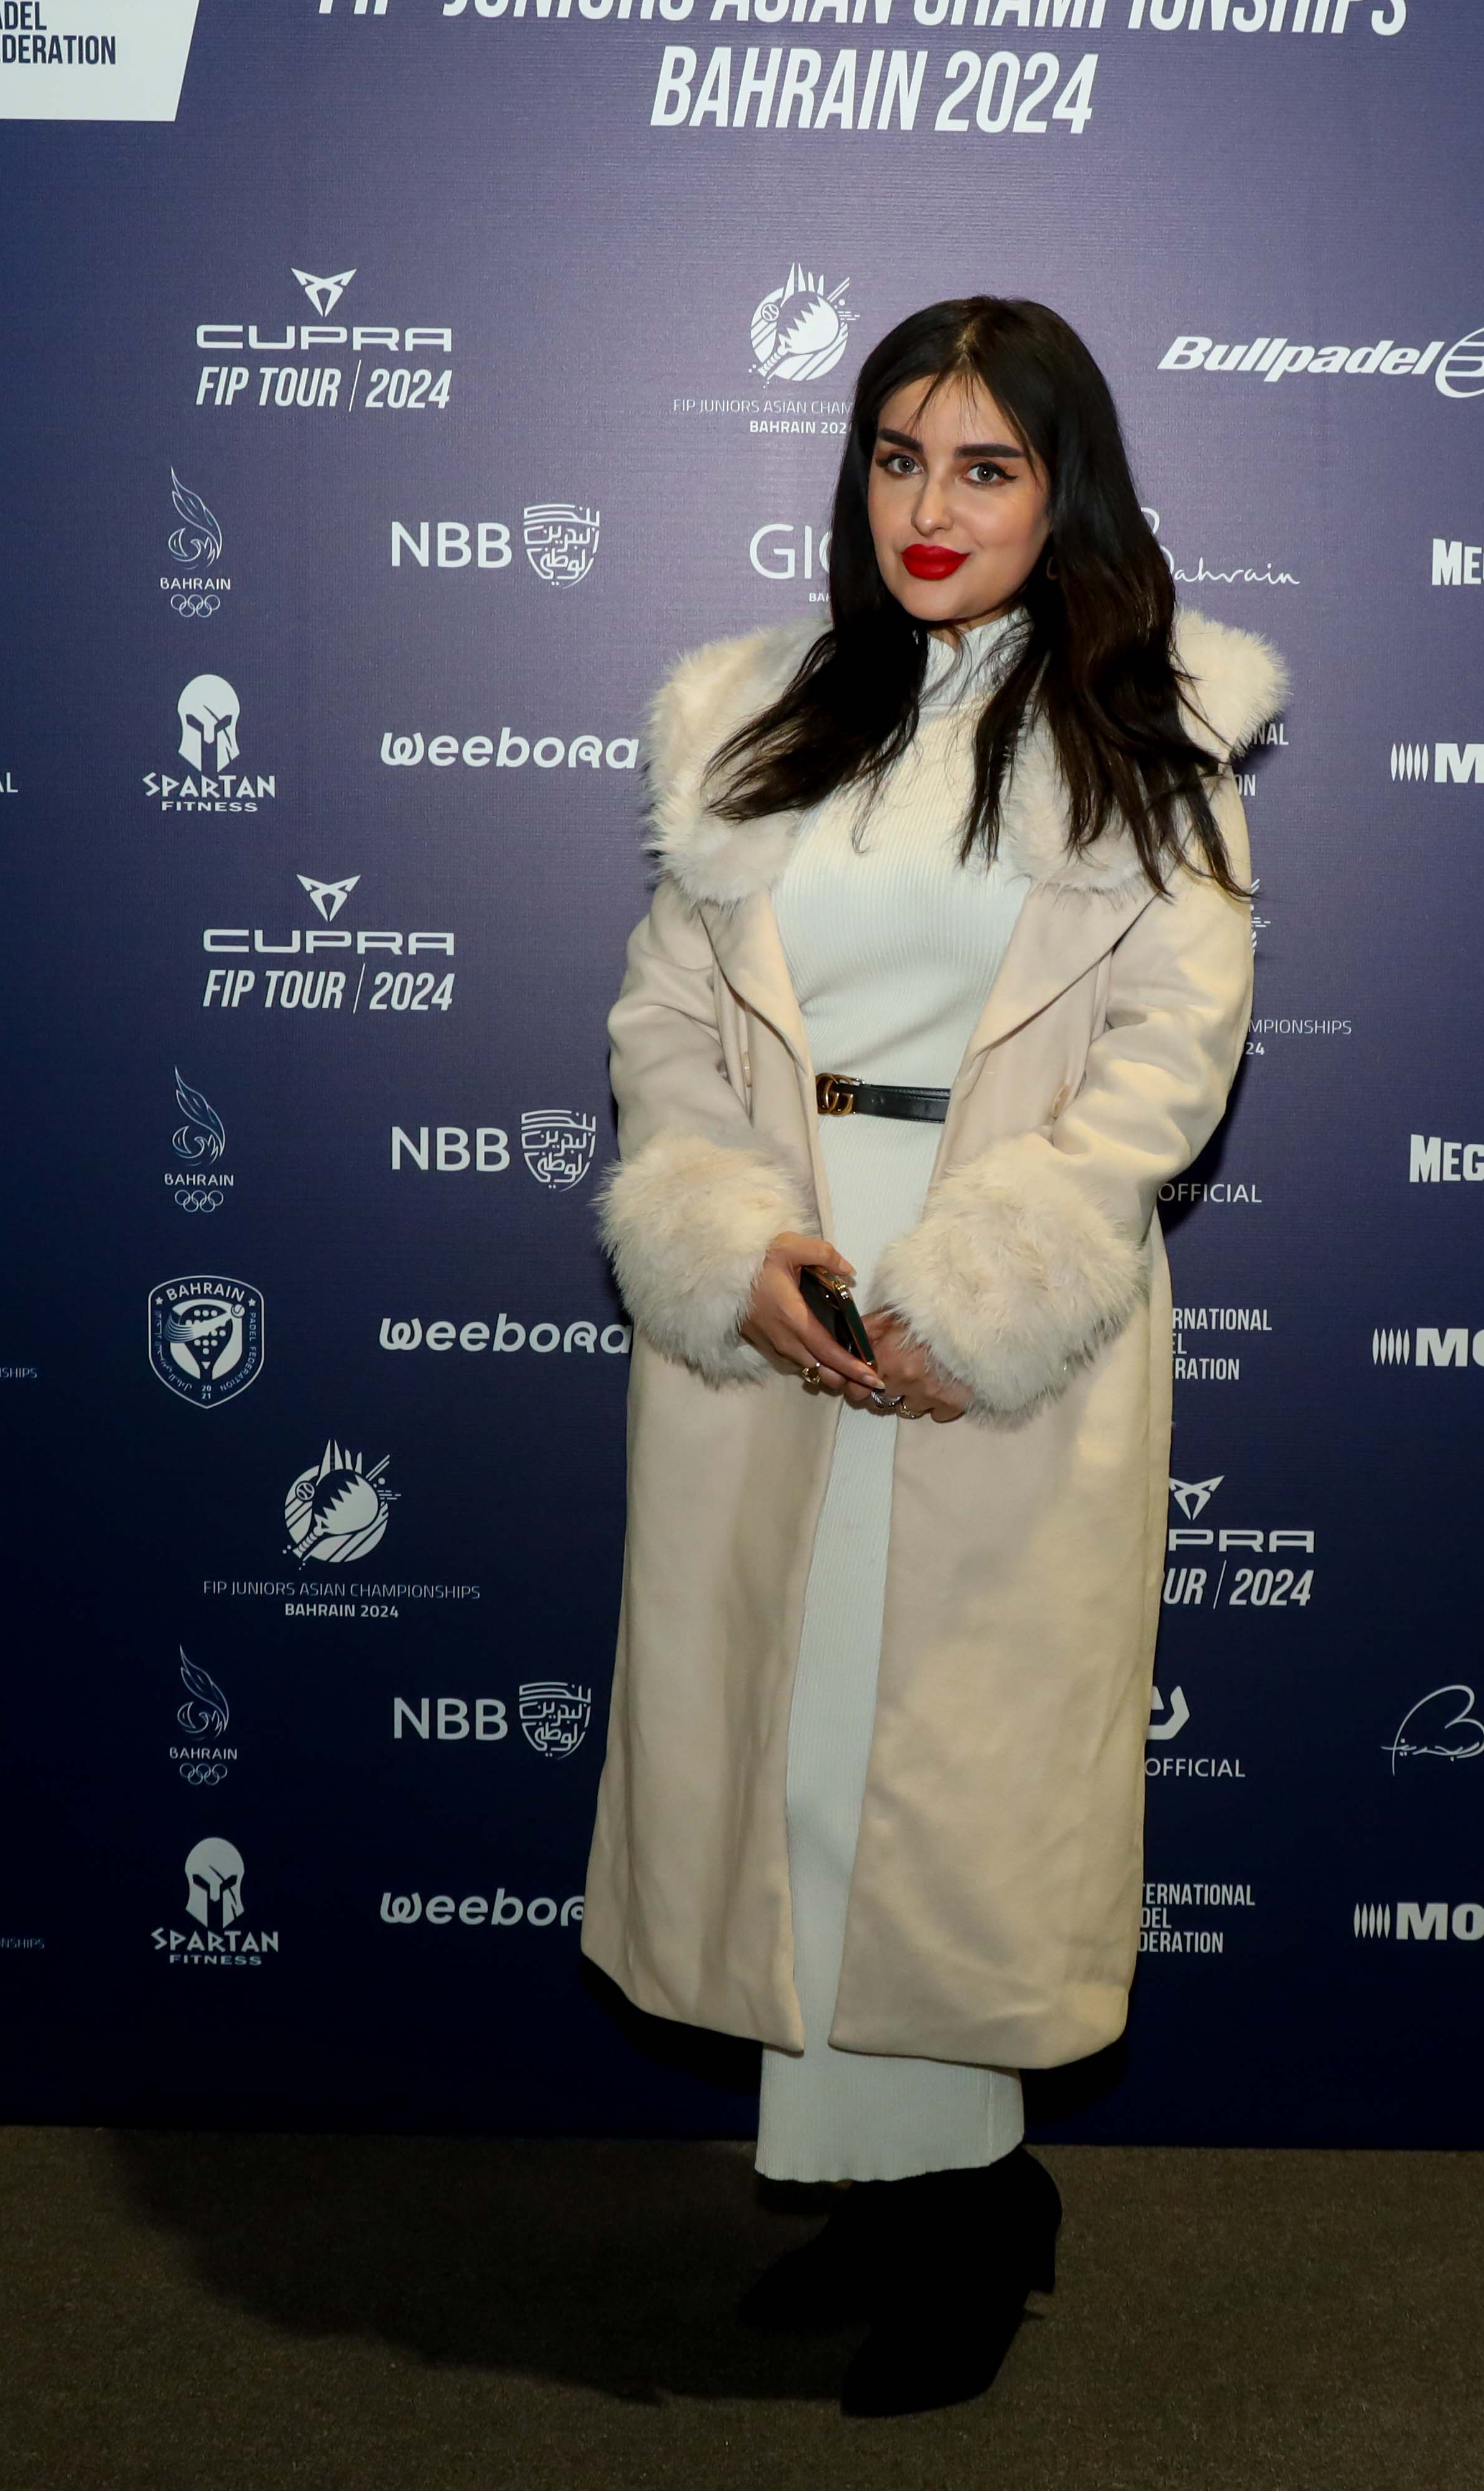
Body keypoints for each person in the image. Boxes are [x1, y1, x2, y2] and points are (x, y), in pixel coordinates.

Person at [584, 296, 1277, 2417]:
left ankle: (977, 2213)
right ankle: (883, 2196)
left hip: (995, 1318)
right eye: (898, 458)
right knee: (797, 1772)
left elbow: (1168, 1068)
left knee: (948, 1793)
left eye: (986, 465)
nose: (932, 507)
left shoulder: (1157, 741)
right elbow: (664, 1030)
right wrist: (727, 1240)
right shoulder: (752, 723)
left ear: (1067, 492)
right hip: (781, 1300)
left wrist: (983, 1294)